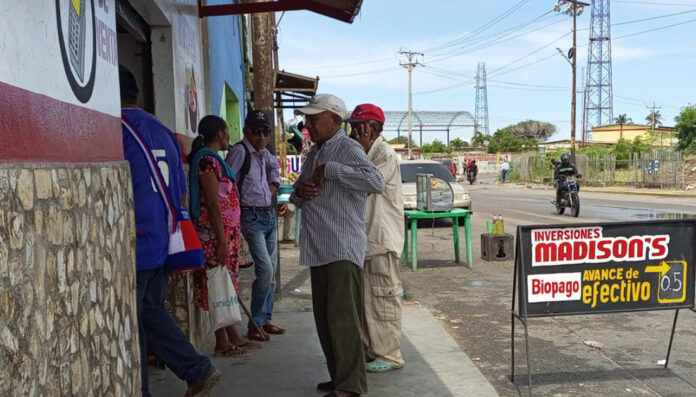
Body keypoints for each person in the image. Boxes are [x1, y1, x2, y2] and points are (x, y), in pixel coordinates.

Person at [119, 65, 220, 397]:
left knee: (135, 322)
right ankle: (197, 369)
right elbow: (178, 193)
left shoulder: (114, 128)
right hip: (164, 240)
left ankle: (146, 389)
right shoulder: (163, 131)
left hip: (136, 242)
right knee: (150, 312)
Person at [291, 94, 385, 397]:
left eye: (313, 119)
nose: (308, 125)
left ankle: (350, 384)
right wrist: (300, 192)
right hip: (320, 246)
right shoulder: (315, 152)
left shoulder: (346, 147)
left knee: (343, 318)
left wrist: (333, 171)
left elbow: (375, 182)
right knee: (325, 318)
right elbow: (297, 194)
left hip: (342, 246)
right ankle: (339, 376)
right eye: (307, 119)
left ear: (334, 119)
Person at [188, 115, 263, 357]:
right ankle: (222, 340)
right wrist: (220, 240)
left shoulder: (216, 161)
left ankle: (233, 335)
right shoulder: (206, 163)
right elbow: (212, 203)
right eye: (227, 131)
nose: (229, 136)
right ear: (220, 134)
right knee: (216, 283)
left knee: (226, 282)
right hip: (213, 236)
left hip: (225, 235)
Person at [347, 104, 405, 373]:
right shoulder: (368, 153)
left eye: (357, 126)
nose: (353, 132)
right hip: (367, 238)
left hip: (382, 238)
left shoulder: (385, 154)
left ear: (371, 129)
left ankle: (389, 354)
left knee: (383, 297)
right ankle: (373, 349)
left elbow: (370, 182)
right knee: (367, 299)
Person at [225, 110, 284, 341]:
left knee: (272, 273)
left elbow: (275, 174)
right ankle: (255, 324)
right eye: (256, 132)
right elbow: (227, 182)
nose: (261, 137)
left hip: (268, 215)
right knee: (265, 270)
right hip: (250, 216)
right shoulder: (240, 152)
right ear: (246, 132)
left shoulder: (266, 155)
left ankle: (264, 319)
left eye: (265, 132)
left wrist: (270, 192)